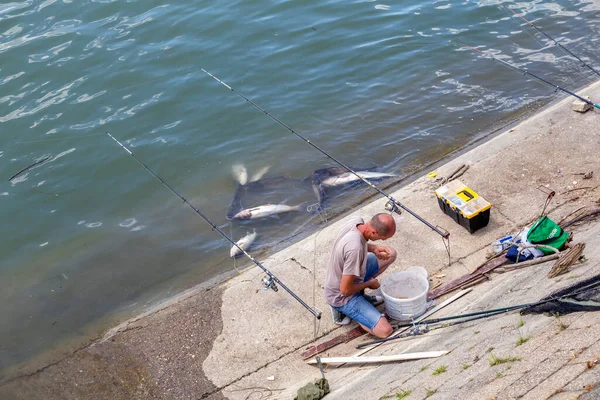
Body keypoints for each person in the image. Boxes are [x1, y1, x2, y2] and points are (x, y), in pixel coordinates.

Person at [324, 213, 397, 338]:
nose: (382, 241)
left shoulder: (357, 222)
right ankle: (346, 311)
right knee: (385, 331)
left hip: (350, 276)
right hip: (341, 295)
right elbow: (345, 289)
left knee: (391, 254)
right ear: (374, 232)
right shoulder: (355, 250)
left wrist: (374, 248)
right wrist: (370, 284)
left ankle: (361, 298)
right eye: (382, 238)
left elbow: (358, 245)